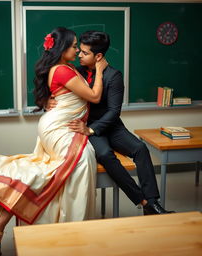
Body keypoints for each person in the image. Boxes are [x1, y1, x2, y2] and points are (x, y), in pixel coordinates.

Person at [0, 27, 108, 243]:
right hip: (60, 128)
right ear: (62, 49)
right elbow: (95, 96)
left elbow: (56, 94)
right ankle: (67, 229)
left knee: (47, 170)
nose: (78, 50)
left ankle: (6, 214)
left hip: (57, 126)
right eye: (74, 46)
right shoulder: (62, 70)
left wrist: (46, 101)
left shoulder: (62, 67)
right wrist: (99, 69)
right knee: (79, 162)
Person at [49, 30, 174, 215]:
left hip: (108, 126)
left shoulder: (114, 76)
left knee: (140, 148)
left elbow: (114, 112)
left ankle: (153, 204)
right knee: (106, 154)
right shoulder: (75, 71)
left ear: (98, 56)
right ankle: (142, 200)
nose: (79, 55)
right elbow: (57, 89)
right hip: (85, 126)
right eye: (79, 50)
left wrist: (91, 129)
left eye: (85, 53)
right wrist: (47, 101)